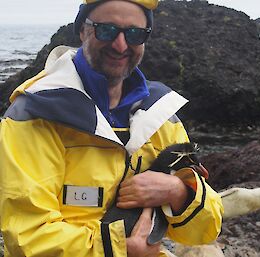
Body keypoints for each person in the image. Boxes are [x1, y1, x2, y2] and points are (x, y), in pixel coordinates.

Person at [0, 0, 223, 256]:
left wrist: (178, 192)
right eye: (106, 30)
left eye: (135, 34)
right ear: (82, 30)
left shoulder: (161, 117)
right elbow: (27, 238)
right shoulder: (34, 115)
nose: (120, 45)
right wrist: (121, 249)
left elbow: (205, 230)